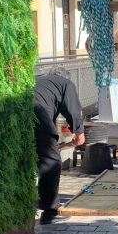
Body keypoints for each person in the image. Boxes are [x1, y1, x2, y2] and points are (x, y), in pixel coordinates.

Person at [34, 71, 85, 225]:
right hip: (37, 114)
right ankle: (50, 209)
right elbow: (73, 109)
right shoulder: (65, 83)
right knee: (52, 162)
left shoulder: (41, 81)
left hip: (21, 113)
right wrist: (79, 131)